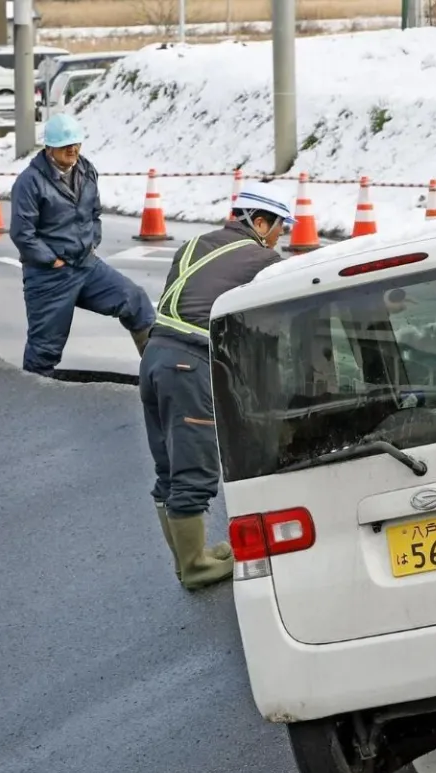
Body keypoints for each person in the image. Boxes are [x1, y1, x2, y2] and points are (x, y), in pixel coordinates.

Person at [141, 182, 291, 590]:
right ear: (260, 222)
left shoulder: (193, 245)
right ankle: (196, 567)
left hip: (155, 356)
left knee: (168, 466)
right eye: (281, 227)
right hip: (188, 365)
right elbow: (264, 329)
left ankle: (186, 560)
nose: (281, 237)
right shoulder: (262, 260)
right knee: (195, 466)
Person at [9, 113, 155, 377]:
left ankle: (159, 373)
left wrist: (92, 241)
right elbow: (23, 233)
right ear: (49, 148)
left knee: (135, 301)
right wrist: (52, 261)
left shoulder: (87, 171)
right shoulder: (29, 182)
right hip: (49, 276)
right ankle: (32, 394)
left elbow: (94, 213)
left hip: (87, 266)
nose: (72, 149)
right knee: (44, 351)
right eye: (65, 145)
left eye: (76, 143)